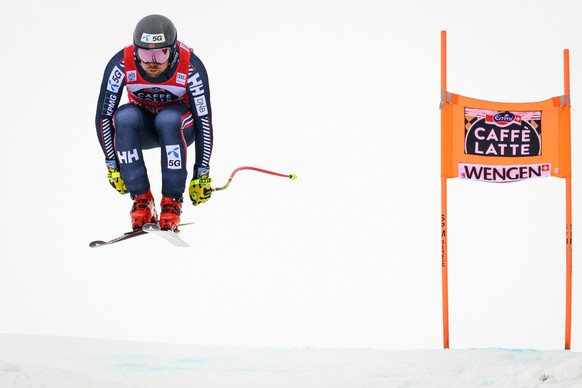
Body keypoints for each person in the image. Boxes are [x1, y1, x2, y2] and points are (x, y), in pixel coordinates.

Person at [95, 14, 214, 232]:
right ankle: (142, 201)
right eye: (144, 53)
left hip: (178, 129)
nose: (152, 62)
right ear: (135, 50)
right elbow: (104, 115)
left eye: (161, 54)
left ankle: (171, 203)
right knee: (123, 116)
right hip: (145, 128)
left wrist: (202, 173)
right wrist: (112, 164)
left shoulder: (191, 67)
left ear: (174, 50)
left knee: (168, 119)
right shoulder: (121, 64)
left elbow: (203, 121)